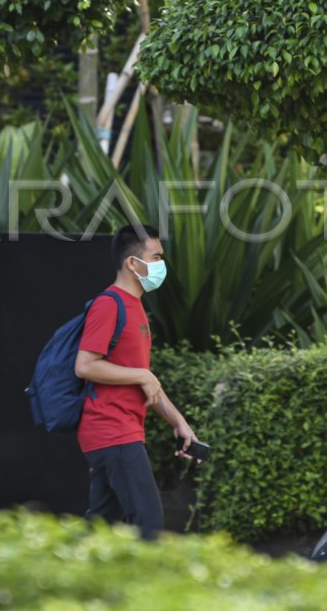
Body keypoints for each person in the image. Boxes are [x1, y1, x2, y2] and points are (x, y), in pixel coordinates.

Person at [73, 223, 198, 540]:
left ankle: (67, 581)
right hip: (111, 428)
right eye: (156, 257)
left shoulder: (135, 308)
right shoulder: (109, 304)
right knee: (148, 521)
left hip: (115, 430)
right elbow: (85, 366)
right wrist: (142, 374)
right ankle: (145, 589)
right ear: (132, 262)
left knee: (100, 524)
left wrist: (178, 422)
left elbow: (144, 381)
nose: (161, 265)